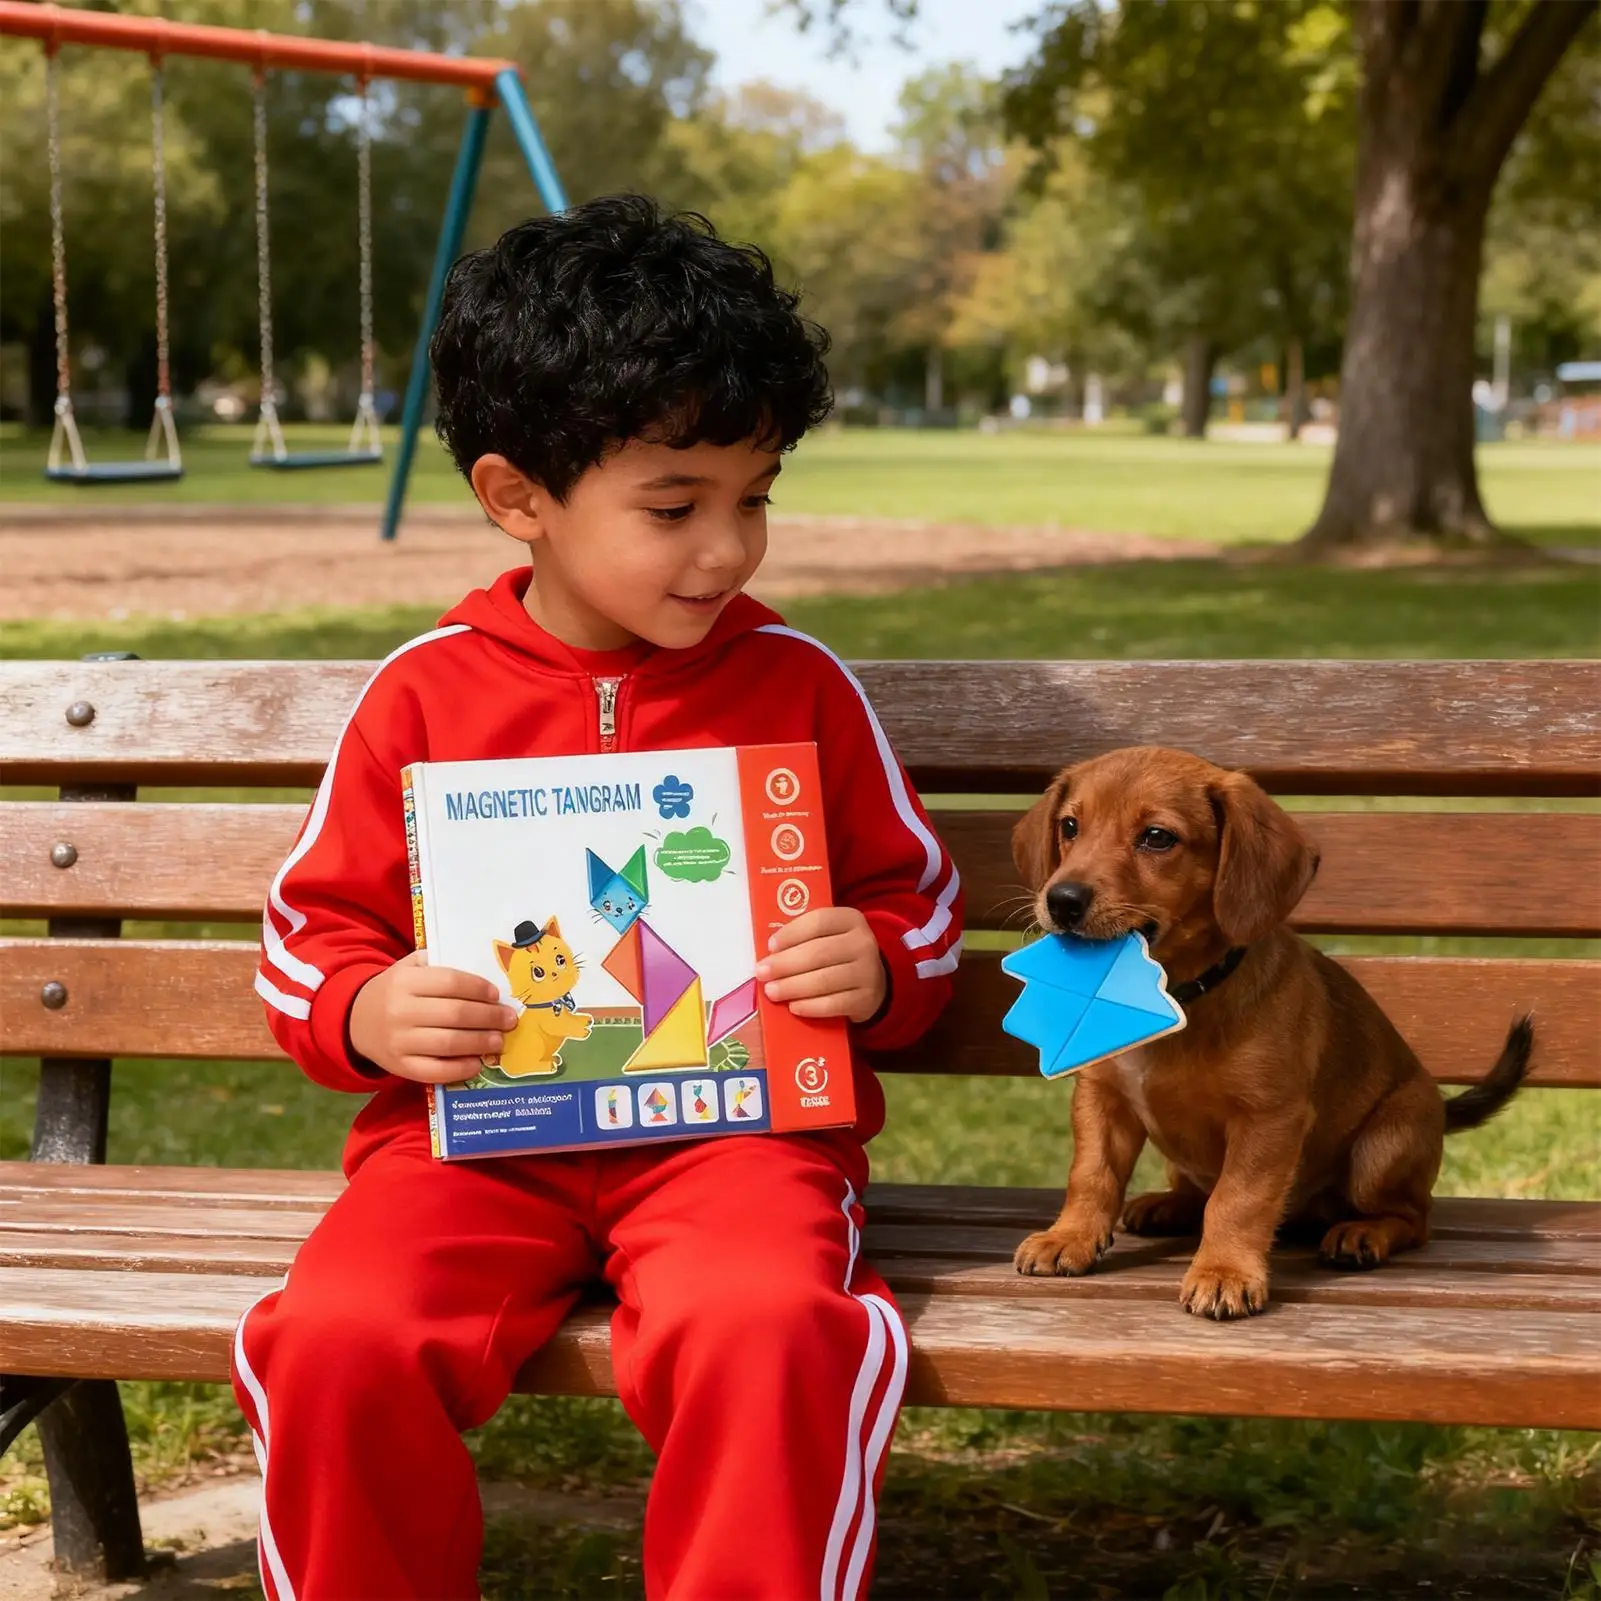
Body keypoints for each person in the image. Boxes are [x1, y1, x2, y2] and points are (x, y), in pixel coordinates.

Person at [235, 193, 963, 1601]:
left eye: (755, 498)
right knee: (335, 1334)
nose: (728, 550)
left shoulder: (800, 687)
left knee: (767, 1323)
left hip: (738, 1147)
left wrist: (878, 962)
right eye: (675, 508)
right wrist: (367, 1008)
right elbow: (307, 937)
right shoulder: (420, 696)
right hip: (469, 1153)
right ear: (519, 498)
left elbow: (915, 900)